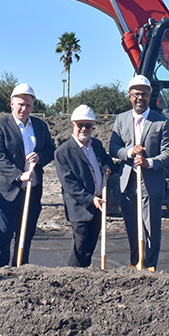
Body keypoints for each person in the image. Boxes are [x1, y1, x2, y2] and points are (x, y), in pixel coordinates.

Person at [109, 75, 169, 270]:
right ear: (130, 96)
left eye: (144, 94)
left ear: (150, 96)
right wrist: (129, 153)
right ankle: (135, 264)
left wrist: (149, 163)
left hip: (151, 182)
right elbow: (114, 147)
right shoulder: (121, 119)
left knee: (151, 228)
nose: (140, 98)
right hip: (128, 182)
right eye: (136, 94)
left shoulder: (161, 122)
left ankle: (150, 266)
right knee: (132, 226)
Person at [0, 83, 55, 268]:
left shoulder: (40, 126)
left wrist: (40, 156)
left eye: (28, 105)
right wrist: (19, 175)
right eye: (20, 104)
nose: (24, 108)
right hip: (7, 190)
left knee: (25, 234)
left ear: (33, 106)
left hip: (32, 191)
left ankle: (21, 272)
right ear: (12, 104)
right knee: (4, 235)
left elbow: (51, 150)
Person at [54, 105, 114, 267]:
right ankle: (71, 276)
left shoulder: (97, 145)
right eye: (80, 125)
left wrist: (107, 166)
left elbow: (106, 158)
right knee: (80, 247)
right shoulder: (63, 152)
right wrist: (90, 199)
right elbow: (69, 183)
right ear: (73, 124)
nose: (84, 129)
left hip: (98, 205)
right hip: (80, 207)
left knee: (90, 246)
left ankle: (84, 277)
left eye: (88, 125)